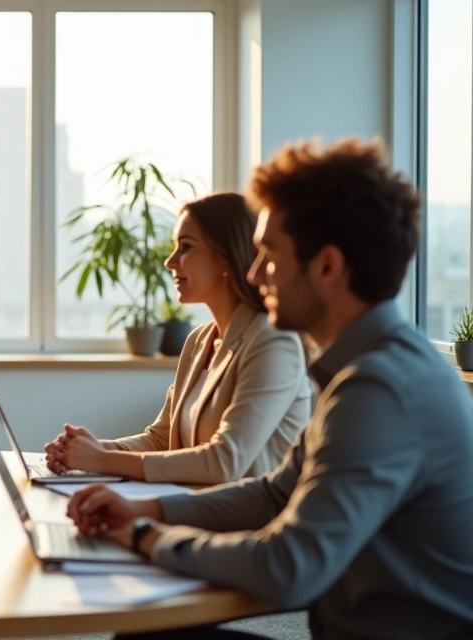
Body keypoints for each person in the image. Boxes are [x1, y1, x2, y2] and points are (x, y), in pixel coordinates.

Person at [67, 139, 473, 639]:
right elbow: (275, 492)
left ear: (326, 266)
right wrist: (146, 508)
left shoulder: (381, 390)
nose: (256, 274)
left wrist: (148, 535)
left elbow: (289, 565)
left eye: (269, 255)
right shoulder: (365, 369)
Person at [44, 193, 312, 484]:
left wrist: (102, 460)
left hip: (248, 523)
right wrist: (98, 449)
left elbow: (224, 461)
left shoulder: (273, 342)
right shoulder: (199, 341)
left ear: (226, 258)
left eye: (186, 247)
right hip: (190, 509)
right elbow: (160, 439)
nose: (170, 262)